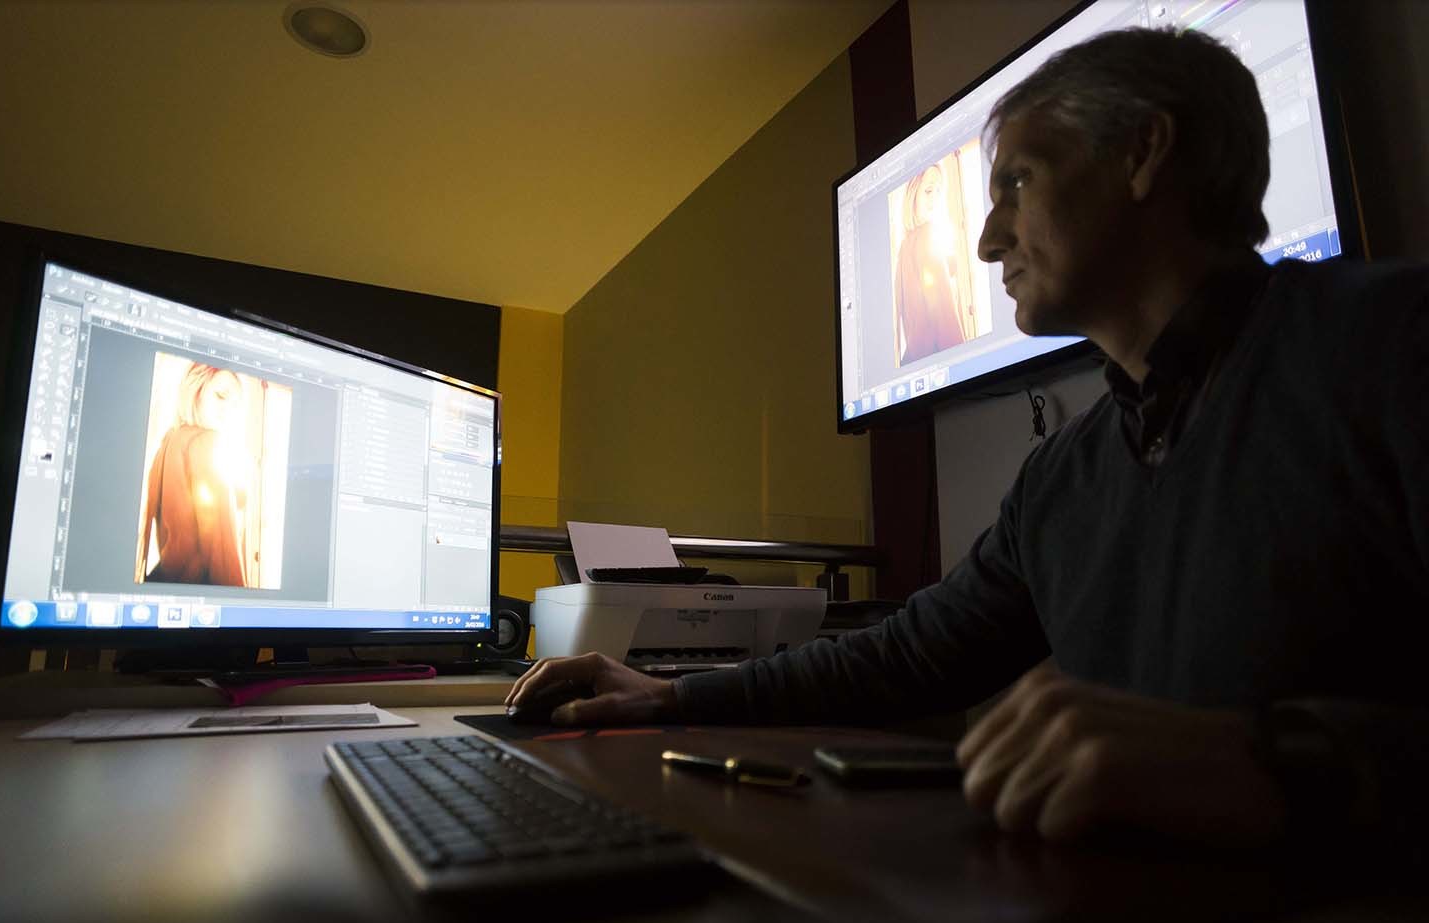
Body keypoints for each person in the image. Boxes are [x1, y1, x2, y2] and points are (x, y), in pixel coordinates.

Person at [509, 28, 1429, 849]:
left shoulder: (1394, 345)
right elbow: (908, 654)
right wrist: (663, 695)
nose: (988, 242)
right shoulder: (1061, 478)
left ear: (1144, 150)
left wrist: (1275, 762)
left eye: (1017, 183)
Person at [137, 362, 248, 587]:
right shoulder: (208, 442)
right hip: (202, 589)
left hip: (166, 581)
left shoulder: (168, 442)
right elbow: (223, 552)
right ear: (196, 389)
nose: (227, 410)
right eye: (221, 396)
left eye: (235, 404)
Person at [895, 163, 966, 363]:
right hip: (939, 362)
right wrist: (964, 361)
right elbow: (944, 316)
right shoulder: (927, 235)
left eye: (938, 190)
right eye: (928, 190)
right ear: (912, 194)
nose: (935, 198)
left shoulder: (904, 247)